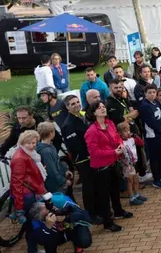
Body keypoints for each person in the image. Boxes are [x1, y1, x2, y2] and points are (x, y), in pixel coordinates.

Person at [84, 101, 133, 231]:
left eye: (103, 107)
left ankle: (118, 211)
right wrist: (112, 152)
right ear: (94, 112)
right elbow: (93, 152)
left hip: (113, 163)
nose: (103, 109)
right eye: (99, 108)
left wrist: (121, 144)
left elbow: (117, 137)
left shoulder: (109, 123)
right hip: (101, 167)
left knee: (115, 190)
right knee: (104, 196)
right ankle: (108, 222)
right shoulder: (92, 131)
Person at [61, 95, 98, 223]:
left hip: (92, 157)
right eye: (72, 104)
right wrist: (90, 154)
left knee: (94, 185)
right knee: (88, 187)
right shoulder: (69, 124)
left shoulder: (82, 117)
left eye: (77, 102)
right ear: (67, 107)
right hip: (83, 160)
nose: (77, 105)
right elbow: (75, 145)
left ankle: (96, 210)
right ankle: (91, 215)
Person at [10, 130, 48, 253]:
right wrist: (19, 207)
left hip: (32, 192)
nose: (32, 146)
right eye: (29, 143)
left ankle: (34, 249)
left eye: (34, 143)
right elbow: (16, 183)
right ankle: (33, 250)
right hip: (27, 196)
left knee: (32, 224)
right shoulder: (20, 158)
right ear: (22, 142)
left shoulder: (29, 153)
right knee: (31, 226)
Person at [27, 198, 92, 253]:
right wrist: (47, 227)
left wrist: (67, 218)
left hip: (73, 227)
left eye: (49, 210)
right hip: (58, 233)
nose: (51, 213)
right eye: (46, 215)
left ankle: (78, 244)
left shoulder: (60, 200)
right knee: (47, 240)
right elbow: (40, 239)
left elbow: (84, 215)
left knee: (84, 241)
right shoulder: (34, 220)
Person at [138, 84, 161, 188]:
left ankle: (160, 174)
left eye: (153, 92)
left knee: (159, 155)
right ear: (145, 94)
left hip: (160, 134)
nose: (152, 94)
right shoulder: (145, 106)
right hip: (152, 136)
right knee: (154, 158)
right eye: (149, 93)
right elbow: (151, 122)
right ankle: (156, 179)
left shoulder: (155, 102)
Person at [36, 122, 72, 196]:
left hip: (57, 183)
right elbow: (52, 171)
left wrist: (65, 170)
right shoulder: (46, 152)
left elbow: (57, 161)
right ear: (51, 133)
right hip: (54, 186)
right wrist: (64, 181)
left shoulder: (50, 145)